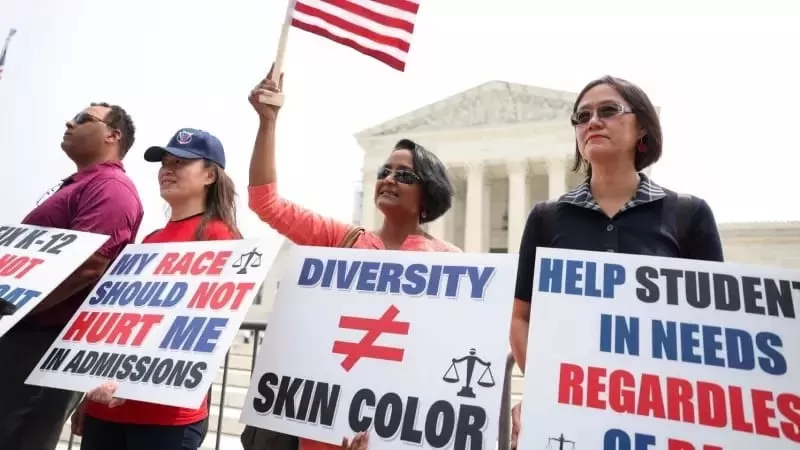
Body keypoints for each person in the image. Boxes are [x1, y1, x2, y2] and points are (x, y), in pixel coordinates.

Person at [241, 67, 458, 450]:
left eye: (404, 175)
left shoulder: (450, 261)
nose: (389, 179)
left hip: (391, 430)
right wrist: (267, 123)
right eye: (384, 171)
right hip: (321, 424)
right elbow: (266, 202)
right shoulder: (342, 239)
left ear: (429, 193)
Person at [508, 75, 725, 447]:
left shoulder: (688, 214)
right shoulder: (546, 218)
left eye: (608, 111)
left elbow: (714, 325)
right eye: (582, 116)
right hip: (568, 414)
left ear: (642, 127)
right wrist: (547, 390)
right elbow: (521, 316)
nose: (592, 121)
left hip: (661, 415)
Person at [70, 128, 242, 450]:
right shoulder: (149, 241)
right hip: (107, 408)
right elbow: (118, 322)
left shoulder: (222, 239)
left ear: (210, 175)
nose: (167, 169)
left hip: (166, 418)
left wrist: (131, 385)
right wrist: (87, 396)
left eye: (181, 162)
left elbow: (202, 330)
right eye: (165, 162)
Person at [0, 103, 143, 450]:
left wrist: (17, 309)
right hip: (24, 336)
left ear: (113, 135)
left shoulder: (111, 187)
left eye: (83, 119)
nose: (69, 121)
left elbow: (91, 264)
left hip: (41, 343)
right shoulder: (79, 185)